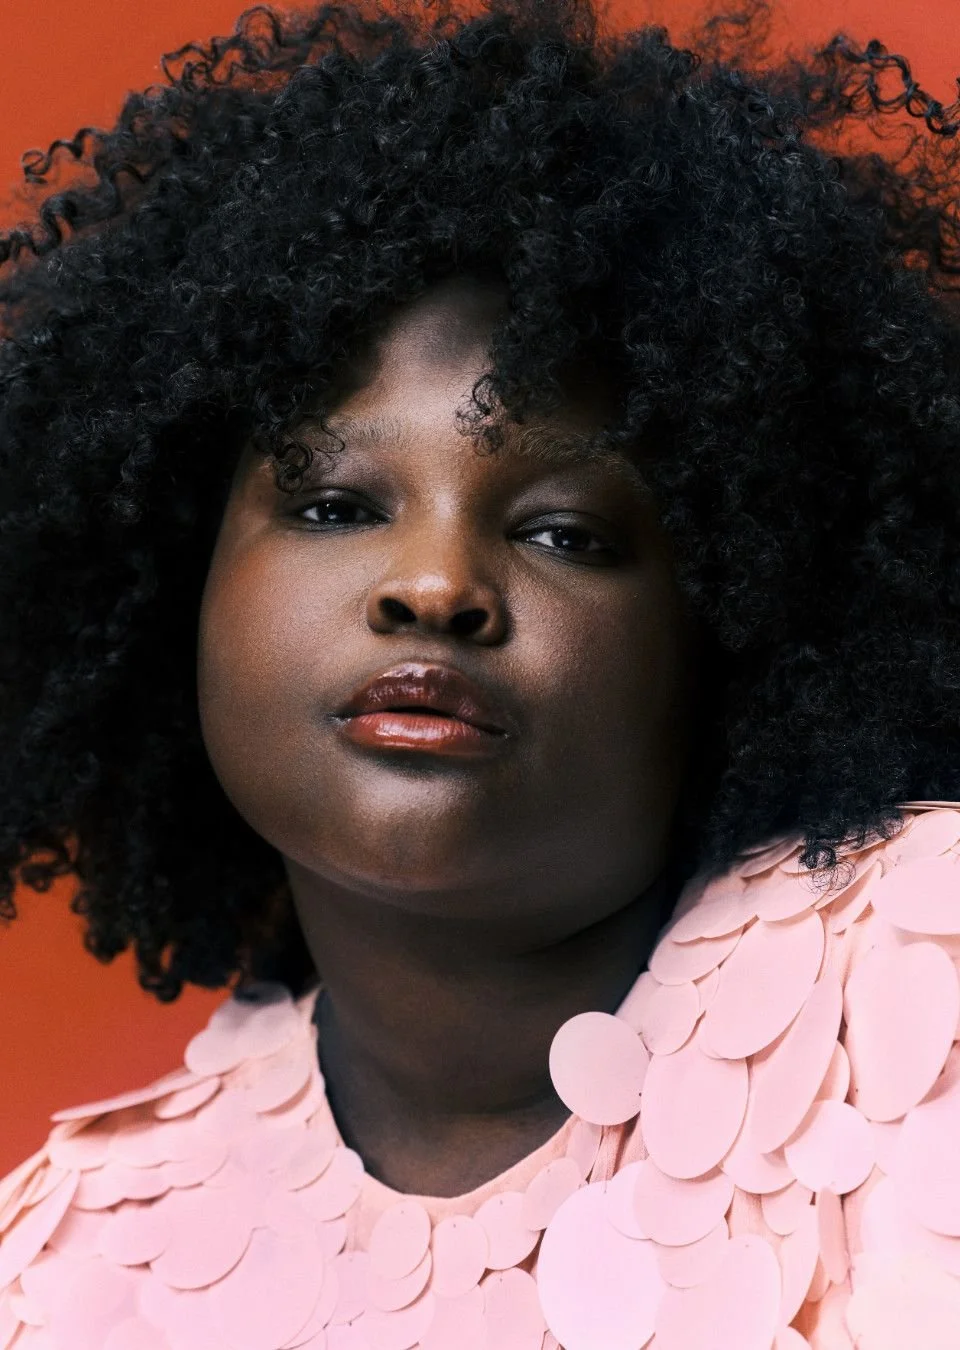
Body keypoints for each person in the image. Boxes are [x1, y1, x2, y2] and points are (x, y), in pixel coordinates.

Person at [2, 0, 960, 1343]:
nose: (434, 584)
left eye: (565, 532)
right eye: (335, 505)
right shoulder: (60, 1274)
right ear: (176, 580)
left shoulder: (926, 965)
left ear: (732, 626)